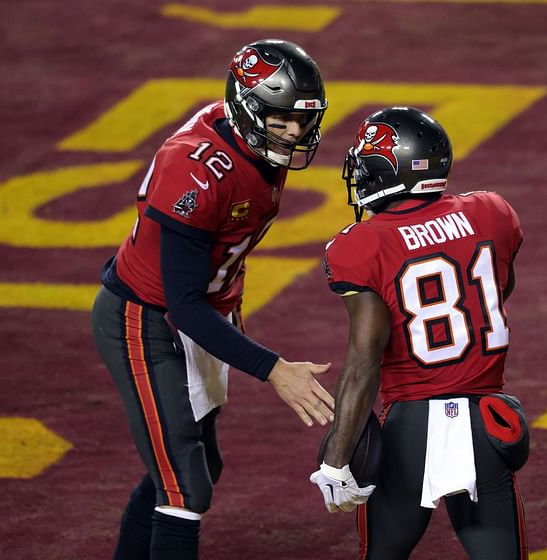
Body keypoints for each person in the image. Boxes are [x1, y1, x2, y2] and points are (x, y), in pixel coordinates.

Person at [91, 39, 334, 559]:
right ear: (247, 107)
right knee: (185, 489)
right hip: (146, 318)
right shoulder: (195, 171)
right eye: (280, 118)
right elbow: (181, 302)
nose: (294, 132)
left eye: (301, 119)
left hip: (203, 310)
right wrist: (275, 369)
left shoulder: (249, 139)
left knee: (196, 466)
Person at [310, 107, 529, 559]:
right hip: (484, 418)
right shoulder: (492, 212)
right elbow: (498, 290)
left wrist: (336, 456)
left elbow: (364, 361)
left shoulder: (361, 243)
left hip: (412, 426)